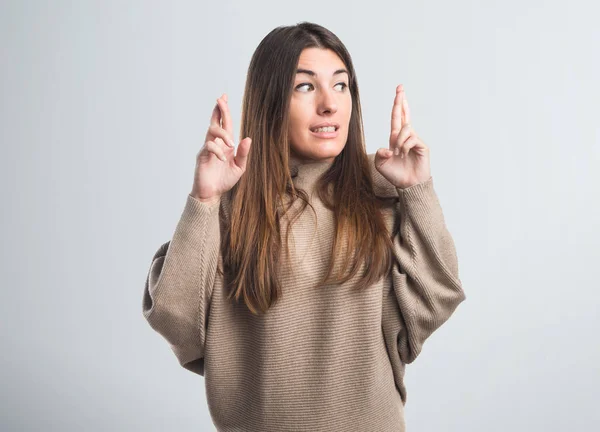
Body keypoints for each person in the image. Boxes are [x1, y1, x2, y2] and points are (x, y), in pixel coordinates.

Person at [142, 21, 466, 432]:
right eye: (306, 87)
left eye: (341, 85)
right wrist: (204, 201)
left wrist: (418, 190)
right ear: (271, 101)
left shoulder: (381, 194)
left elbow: (436, 301)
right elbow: (176, 322)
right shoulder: (230, 206)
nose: (330, 104)